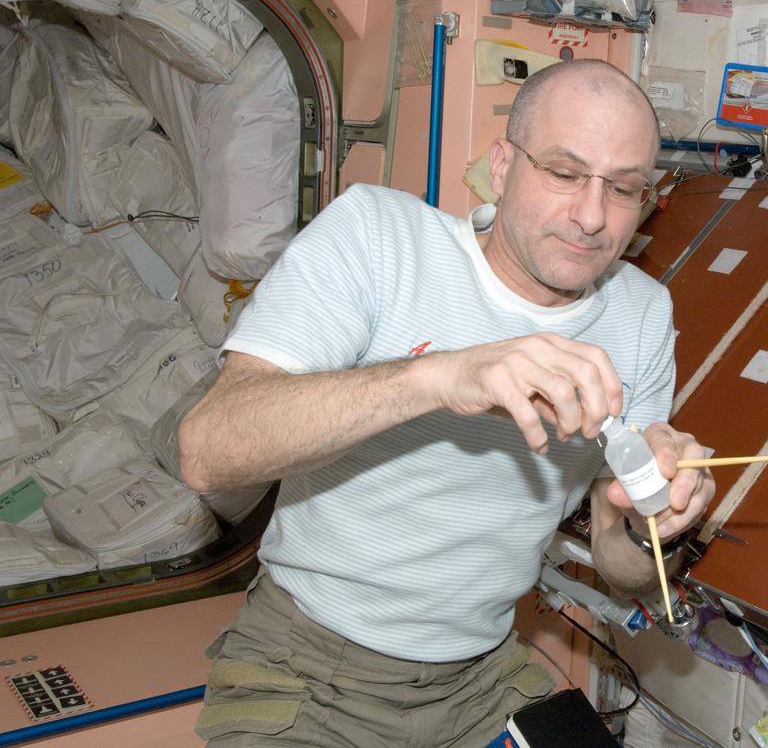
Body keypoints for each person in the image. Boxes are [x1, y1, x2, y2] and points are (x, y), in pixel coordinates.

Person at [178, 59, 715, 747]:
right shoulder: (377, 237)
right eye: (563, 173)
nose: (590, 217)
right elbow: (208, 451)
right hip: (311, 669)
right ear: (501, 165)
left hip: (482, 679)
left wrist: (652, 524)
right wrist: (439, 377)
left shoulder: (641, 314)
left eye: (623, 189)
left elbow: (622, 564)